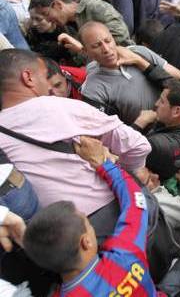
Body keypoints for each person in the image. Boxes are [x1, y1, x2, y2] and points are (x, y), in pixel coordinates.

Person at [0, 49, 150, 241]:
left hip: (68, 242)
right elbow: (138, 145)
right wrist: (124, 176)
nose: (48, 86)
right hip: (122, 210)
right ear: (28, 78)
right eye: (44, 77)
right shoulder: (60, 106)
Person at [22, 136, 163, 297]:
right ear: (86, 242)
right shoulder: (125, 256)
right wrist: (105, 165)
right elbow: (136, 203)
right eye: (88, 223)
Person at [79, 21, 180, 125]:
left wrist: (140, 61)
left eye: (108, 41)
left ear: (113, 38)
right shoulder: (93, 89)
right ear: (85, 51)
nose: (106, 49)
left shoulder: (139, 52)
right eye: (96, 46)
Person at [29, 0, 134, 49]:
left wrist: (82, 49)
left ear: (58, 5)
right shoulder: (67, 25)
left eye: (45, 13)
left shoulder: (96, 8)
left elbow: (122, 42)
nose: (47, 20)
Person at [134, 79, 180, 182]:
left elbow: (122, 148)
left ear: (176, 111)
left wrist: (139, 123)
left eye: (162, 101)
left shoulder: (157, 144)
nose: (156, 103)